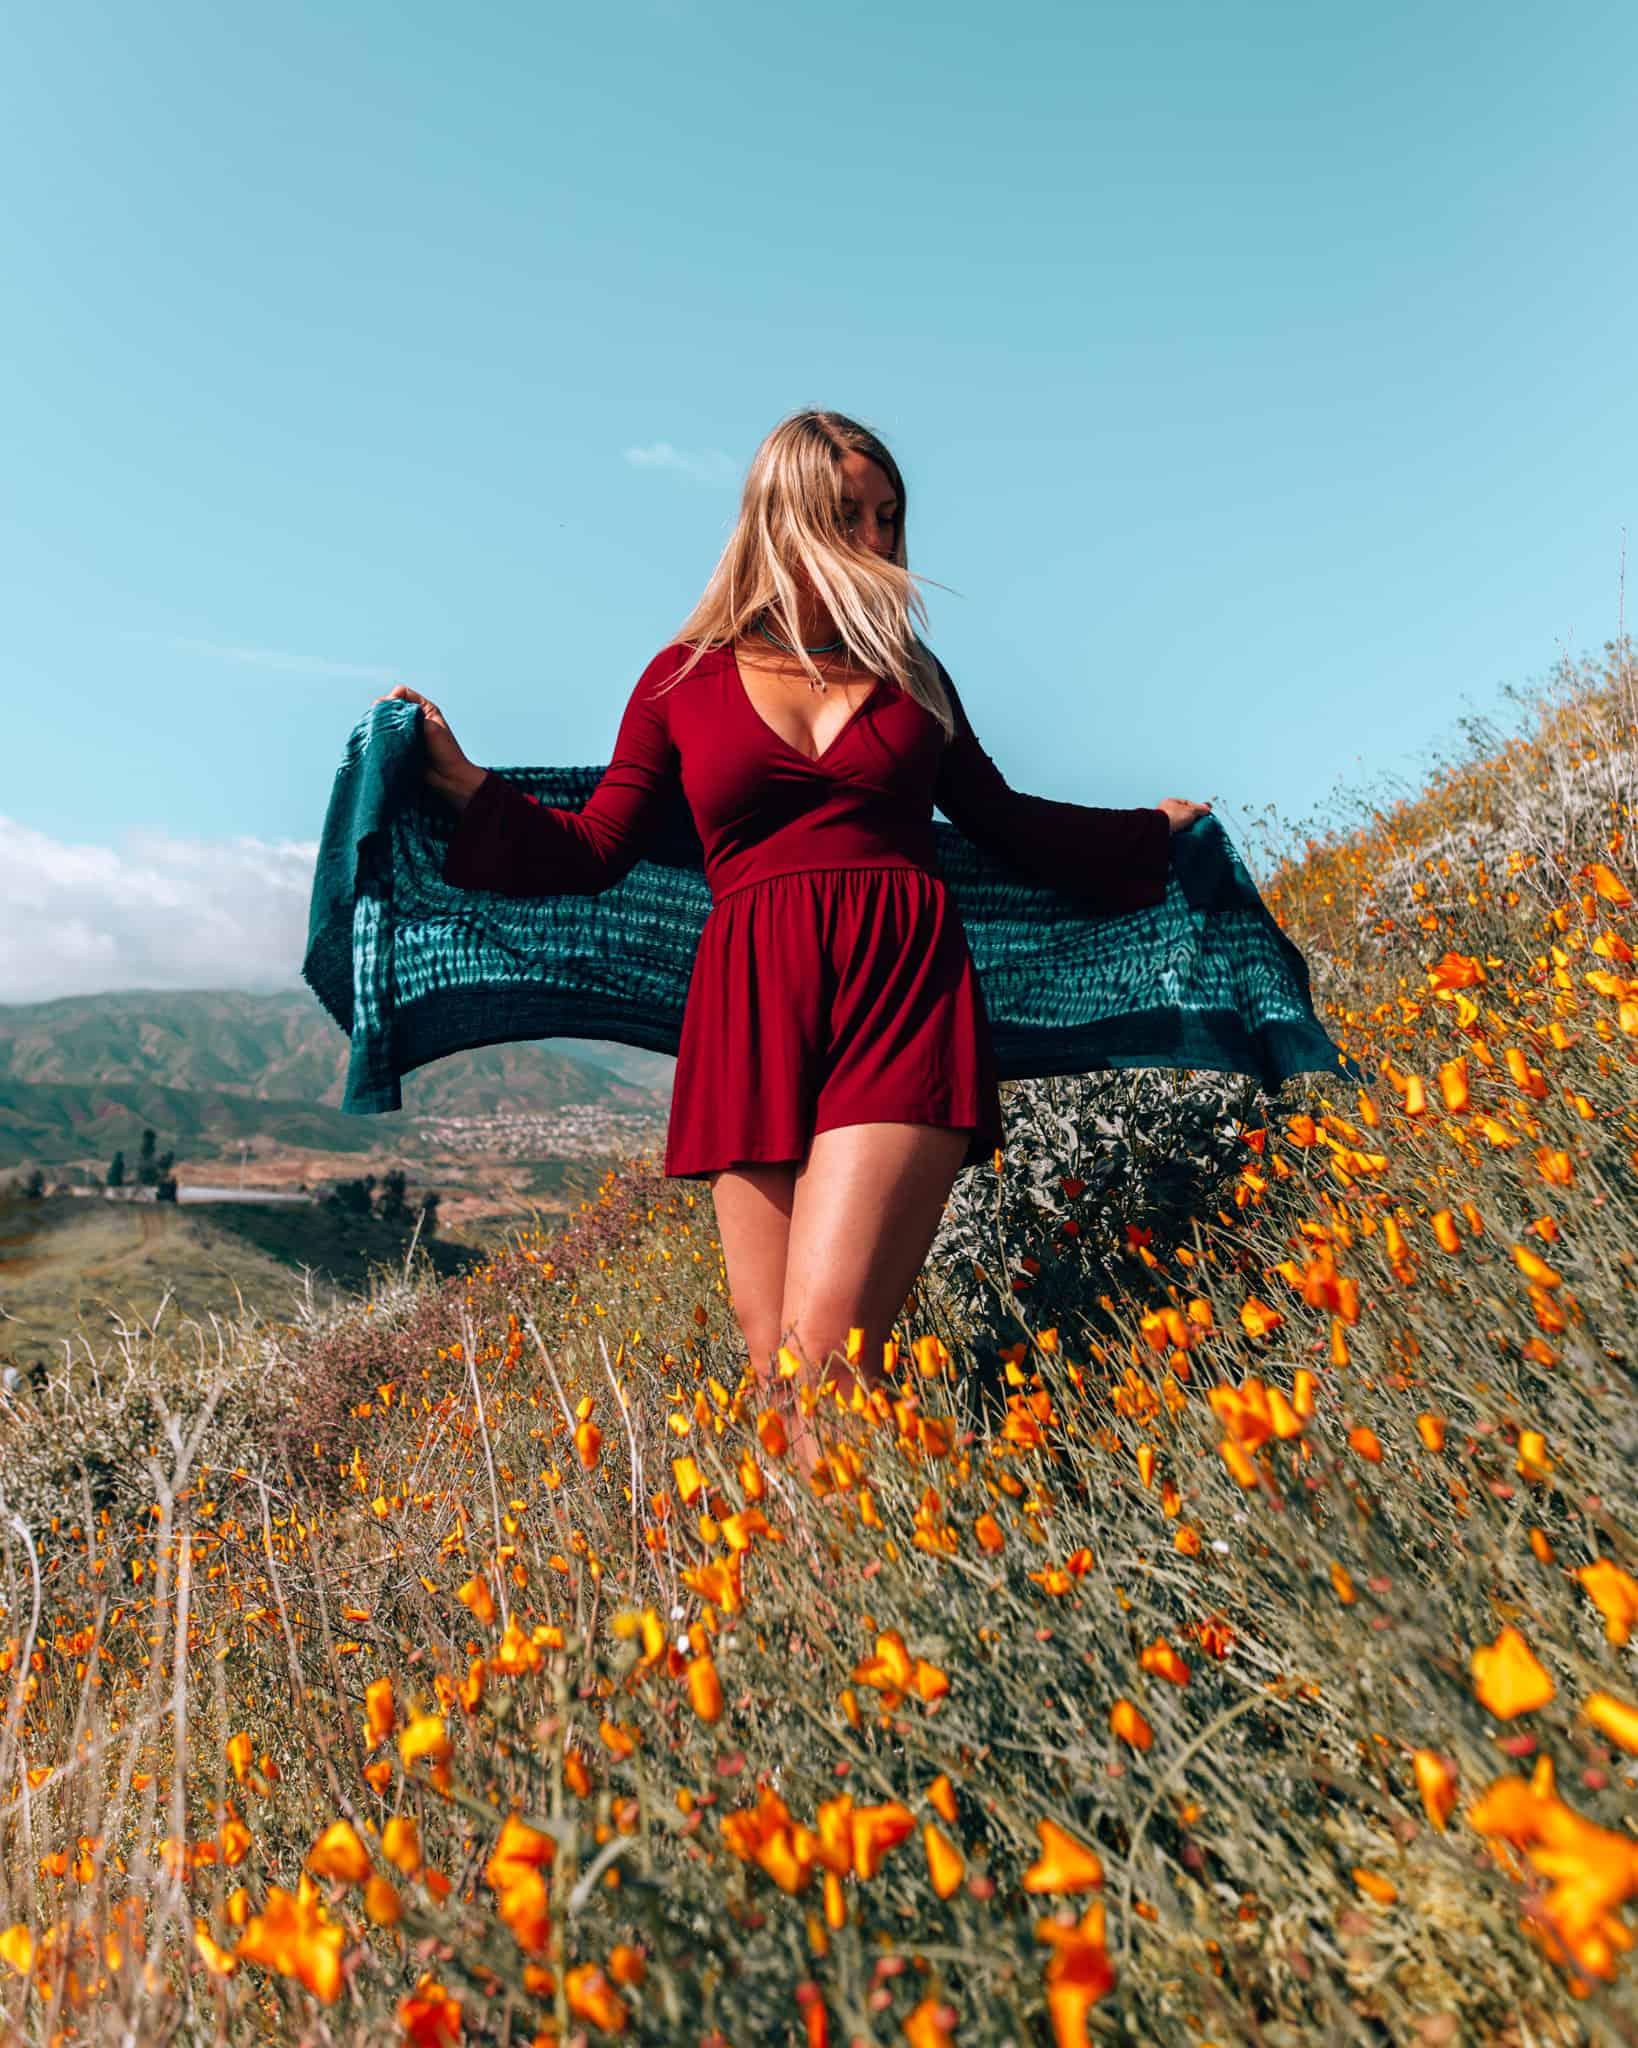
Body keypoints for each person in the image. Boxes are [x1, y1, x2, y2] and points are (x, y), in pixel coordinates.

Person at [377, 409, 1211, 1458]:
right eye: (847, 516)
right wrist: (463, 784)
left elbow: (1005, 822)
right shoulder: (682, 677)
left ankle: (886, 1605)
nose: (876, 541)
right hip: (749, 1015)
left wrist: (1153, 833)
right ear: (783, 520)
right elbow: (593, 848)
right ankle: (827, 1604)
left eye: (889, 517)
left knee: (829, 1358)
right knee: (779, 1373)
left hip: (902, 998)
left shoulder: (916, 675)